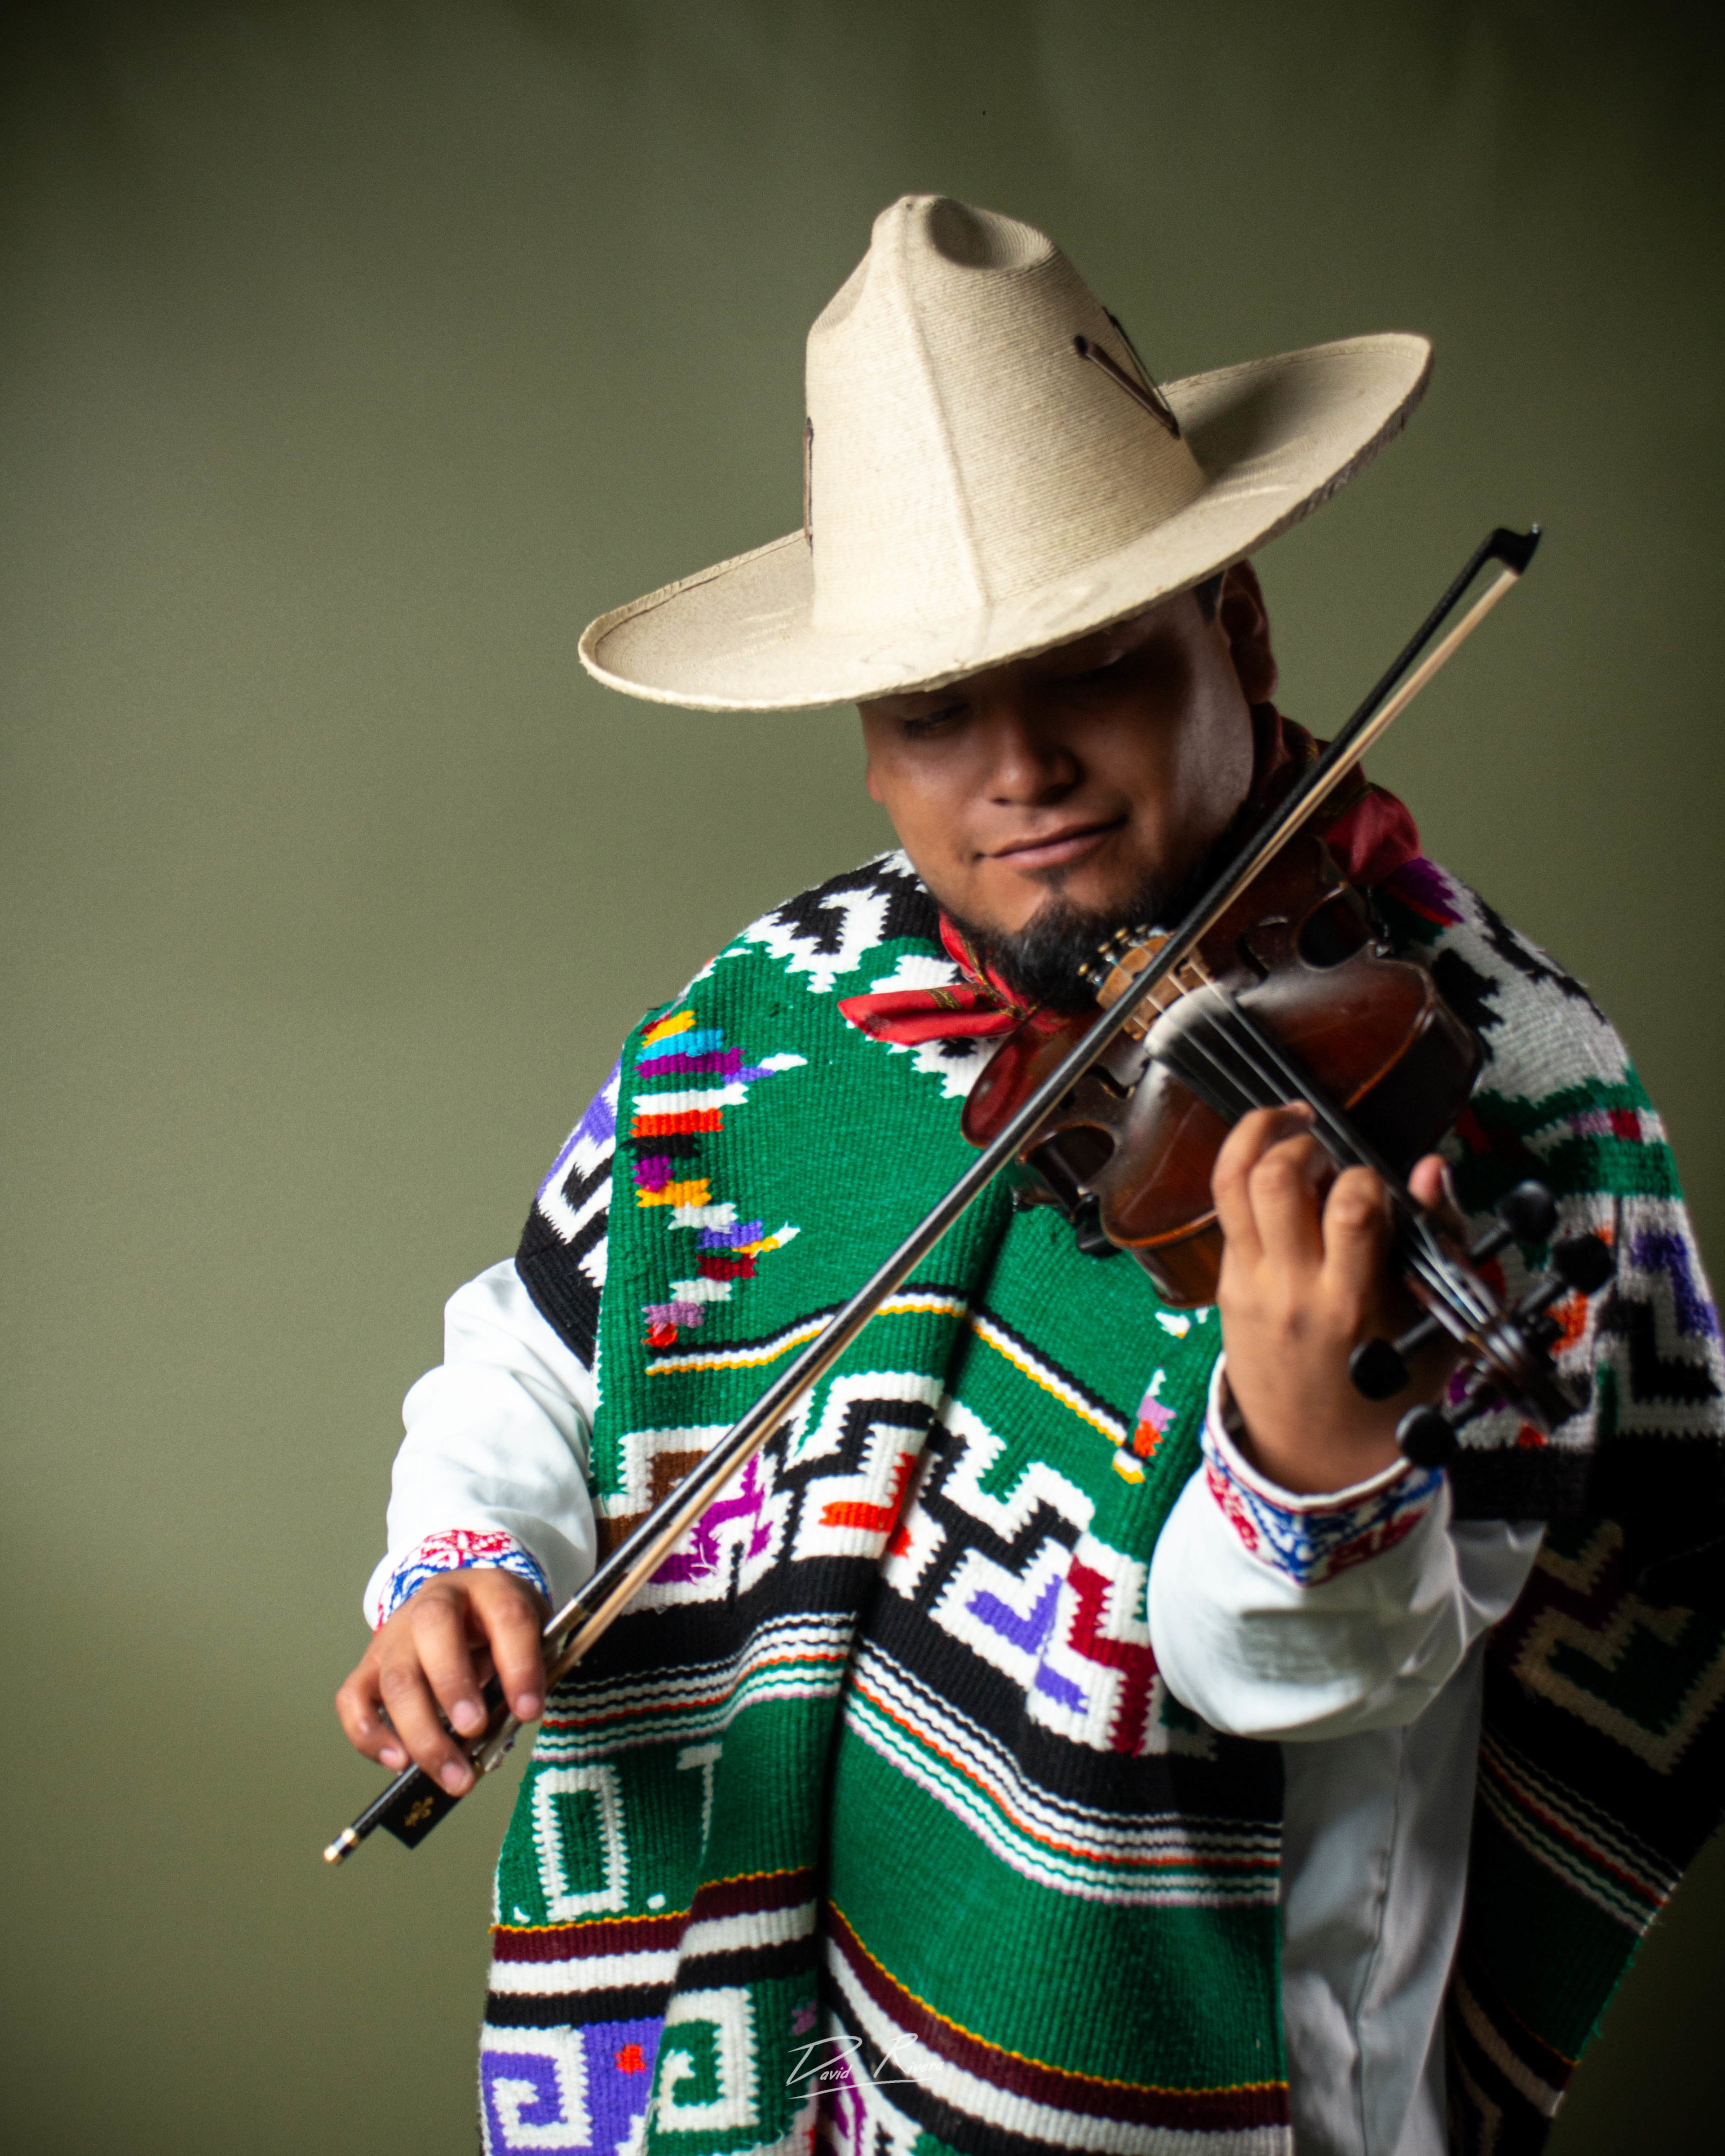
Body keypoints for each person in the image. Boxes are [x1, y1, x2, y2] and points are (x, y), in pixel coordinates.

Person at [334, 198, 1725, 2156]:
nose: (1020, 772)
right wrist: (470, 1561)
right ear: (870, 751)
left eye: (1091, 668)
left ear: (1234, 624)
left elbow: (1317, 1685)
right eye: (932, 712)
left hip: (1215, 2071)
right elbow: (548, 1352)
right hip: (776, 2045)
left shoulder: (1499, 1084)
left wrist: (1312, 1470)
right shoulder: (783, 1000)